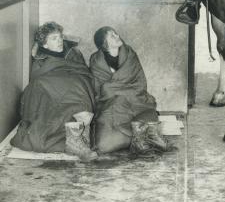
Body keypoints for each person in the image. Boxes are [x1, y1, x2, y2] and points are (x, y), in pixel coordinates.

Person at [11, 22, 97, 162]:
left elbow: (83, 72)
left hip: (76, 91)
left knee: (79, 85)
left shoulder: (72, 54)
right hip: (51, 96)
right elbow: (38, 79)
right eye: (54, 38)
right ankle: (76, 142)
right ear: (44, 44)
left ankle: (77, 140)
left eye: (60, 37)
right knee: (45, 86)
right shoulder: (41, 59)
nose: (59, 41)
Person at [89, 26, 168, 155]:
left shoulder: (130, 54)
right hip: (112, 105)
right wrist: (118, 91)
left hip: (137, 101)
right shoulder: (96, 61)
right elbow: (101, 91)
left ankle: (140, 136)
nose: (117, 36)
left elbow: (140, 84)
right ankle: (140, 136)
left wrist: (114, 89)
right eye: (111, 36)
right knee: (104, 145)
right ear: (104, 44)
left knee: (149, 115)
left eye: (115, 33)